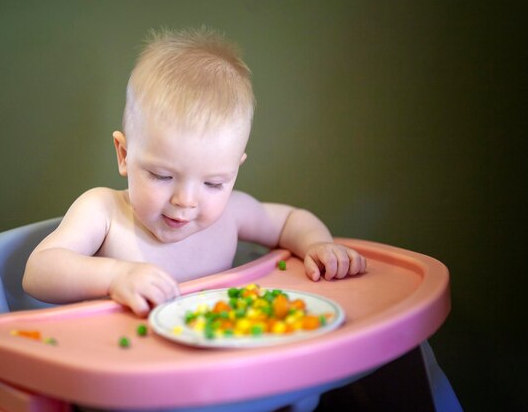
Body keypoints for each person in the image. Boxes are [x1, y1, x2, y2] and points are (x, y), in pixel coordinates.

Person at [23, 27, 367, 317]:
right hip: (125, 383)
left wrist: (319, 245)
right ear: (125, 155)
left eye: (214, 183)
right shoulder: (104, 212)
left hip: (214, 373)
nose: (185, 200)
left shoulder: (232, 213)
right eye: (162, 175)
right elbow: (39, 271)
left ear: (235, 171)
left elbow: (291, 221)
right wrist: (116, 276)